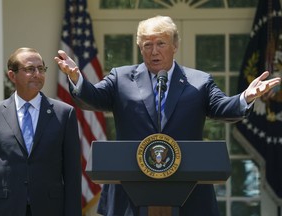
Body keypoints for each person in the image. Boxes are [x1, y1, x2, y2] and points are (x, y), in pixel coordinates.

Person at [54, 16, 281, 216]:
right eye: (147, 45)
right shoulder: (121, 78)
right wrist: (77, 79)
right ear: (140, 49)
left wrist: (246, 97)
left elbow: (223, 107)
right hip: (131, 190)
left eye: (161, 43)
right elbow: (94, 98)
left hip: (188, 190)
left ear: (175, 46)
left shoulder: (199, 82)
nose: (154, 51)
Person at [0, 47, 82, 216]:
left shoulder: (64, 113)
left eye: (41, 69)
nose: (37, 74)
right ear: (12, 75)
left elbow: (72, 174)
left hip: (50, 208)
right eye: (29, 69)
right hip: (5, 208)